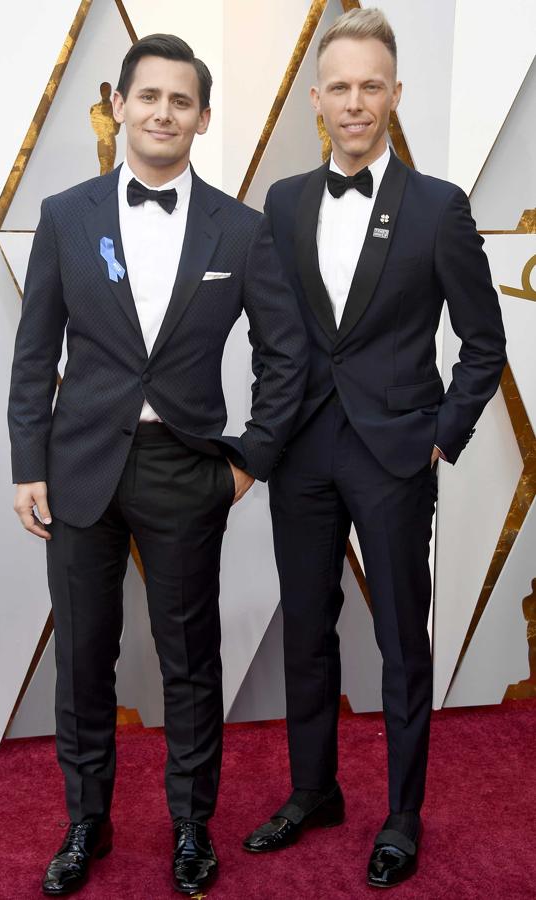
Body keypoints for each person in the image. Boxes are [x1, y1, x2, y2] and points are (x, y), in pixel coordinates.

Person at [8, 33, 307, 897]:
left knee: (190, 659)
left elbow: (284, 357)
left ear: (202, 118)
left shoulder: (241, 229)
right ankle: (85, 824)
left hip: (187, 468)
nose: (164, 113)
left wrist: (248, 461)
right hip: (79, 468)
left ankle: (189, 827)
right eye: (149, 97)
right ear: (123, 107)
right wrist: (31, 461)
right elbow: (34, 354)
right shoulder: (66, 216)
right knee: (83, 659)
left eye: (181, 101)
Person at [243, 8, 506, 889]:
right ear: (316, 99)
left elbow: (483, 341)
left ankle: (402, 813)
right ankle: (313, 790)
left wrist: (443, 438)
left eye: (372, 86)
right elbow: (276, 336)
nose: (356, 103)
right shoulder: (281, 203)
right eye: (341, 88)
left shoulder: (440, 206)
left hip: (397, 457)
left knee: (401, 642)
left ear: (396, 94)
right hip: (302, 454)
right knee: (307, 635)